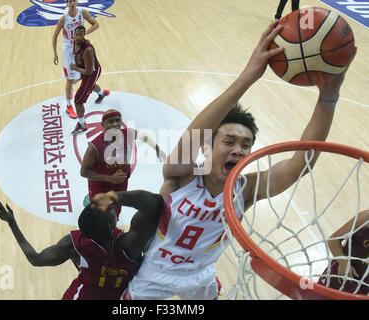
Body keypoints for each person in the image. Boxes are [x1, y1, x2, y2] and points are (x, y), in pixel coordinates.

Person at [122, 20, 357, 300]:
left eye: (246, 145)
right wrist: (249, 76)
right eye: (229, 141)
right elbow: (196, 131)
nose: (238, 150)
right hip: (156, 273)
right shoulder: (180, 175)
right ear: (207, 148)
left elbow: (299, 165)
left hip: (202, 275)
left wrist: (329, 97)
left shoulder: (244, 189)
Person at [0, 189, 165, 300]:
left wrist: (12, 223)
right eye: (111, 209)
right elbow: (155, 204)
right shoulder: (129, 245)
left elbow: (35, 259)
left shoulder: (73, 244)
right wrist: (116, 197)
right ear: (113, 226)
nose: (114, 209)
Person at [80, 109, 166, 217]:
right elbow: (84, 171)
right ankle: (91, 199)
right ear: (103, 125)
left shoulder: (129, 133)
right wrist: (109, 178)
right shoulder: (95, 147)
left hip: (121, 182)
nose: (115, 124)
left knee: (115, 211)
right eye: (110, 121)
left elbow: (145, 137)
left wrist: (158, 150)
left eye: (118, 121)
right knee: (99, 214)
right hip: (101, 185)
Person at [52, 0, 105, 119]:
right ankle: (69, 106)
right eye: (69, 1)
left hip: (80, 48)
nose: (72, 3)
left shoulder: (82, 13)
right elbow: (55, 36)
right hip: (68, 50)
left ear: (76, 2)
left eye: (74, 0)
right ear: (67, 4)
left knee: (84, 77)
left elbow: (96, 24)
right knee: (70, 79)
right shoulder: (64, 18)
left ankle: (101, 92)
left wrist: (85, 32)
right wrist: (55, 54)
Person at [317, 209, 369, 295]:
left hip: (362, 288)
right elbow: (334, 240)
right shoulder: (366, 217)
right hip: (340, 275)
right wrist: (343, 262)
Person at [70, 25, 110, 135]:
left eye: (80, 35)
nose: (78, 37)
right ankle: (103, 93)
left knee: (78, 99)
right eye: (76, 34)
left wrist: (75, 70)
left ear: (84, 35)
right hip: (86, 70)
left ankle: (82, 125)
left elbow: (88, 71)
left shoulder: (87, 49)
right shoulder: (75, 43)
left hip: (92, 72)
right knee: (90, 87)